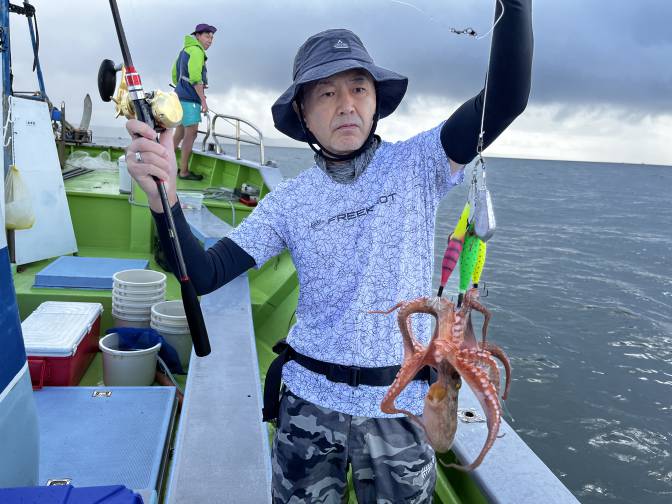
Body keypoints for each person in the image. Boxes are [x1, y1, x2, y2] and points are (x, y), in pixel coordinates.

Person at [126, 0, 532, 501]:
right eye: (326, 92)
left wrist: (515, 6)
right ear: (303, 113)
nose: (346, 104)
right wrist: (163, 197)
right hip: (308, 405)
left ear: (376, 101)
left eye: (359, 88)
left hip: (401, 406)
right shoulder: (289, 202)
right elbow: (205, 273)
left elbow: (506, 99)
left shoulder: (420, 164)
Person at [171, 22, 216, 181]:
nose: (210, 40)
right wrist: (203, 100)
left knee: (179, 133)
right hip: (190, 99)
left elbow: (174, 74)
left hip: (179, 96)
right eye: (207, 36)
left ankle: (167, 166)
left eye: (212, 38)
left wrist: (181, 87)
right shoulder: (197, 51)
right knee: (191, 134)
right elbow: (196, 77)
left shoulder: (184, 50)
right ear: (197, 36)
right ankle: (184, 171)